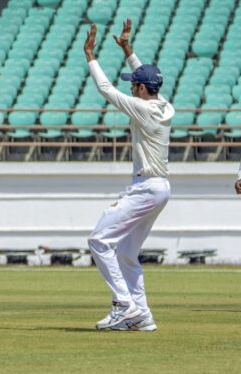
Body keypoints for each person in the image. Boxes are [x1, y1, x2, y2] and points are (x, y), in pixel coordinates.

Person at [83, 20, 174, 331]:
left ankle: (124, 305)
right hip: (158, 187)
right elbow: (145, 77)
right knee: (125, 252)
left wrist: (90, 56)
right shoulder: (163, 105)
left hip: (147, 186)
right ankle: (142, 315)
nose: (130, 88)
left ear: (139, 90)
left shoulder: (142, 109)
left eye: (133, 85)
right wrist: (127, 50)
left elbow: (105, 89)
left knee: (98, 240)